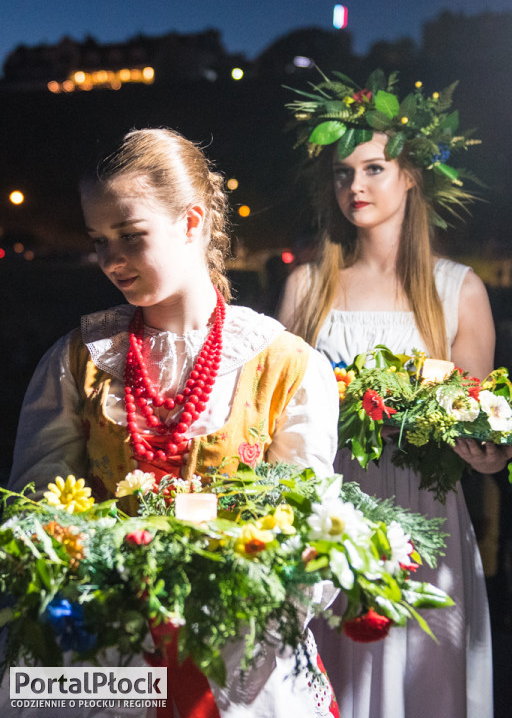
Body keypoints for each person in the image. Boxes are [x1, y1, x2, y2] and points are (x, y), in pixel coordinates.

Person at [7, 128, 340, 718]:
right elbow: (35, 516)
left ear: (191, 222)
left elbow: (312, 541)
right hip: (106, 662)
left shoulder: (285, 365)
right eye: (98, 240)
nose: (110, 260)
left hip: (238, 664)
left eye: (130, 235)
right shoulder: (79, 359)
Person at [278, 70, 509, 718]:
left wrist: (490, 452)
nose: (355, 186)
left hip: (424, 521)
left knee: (421, 689)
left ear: (411, 175)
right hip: (328, 517)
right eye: (343, 173)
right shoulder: (307, 287)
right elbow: (275, 417)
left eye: (374, 169)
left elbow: (480, 424)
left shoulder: (457, 289)